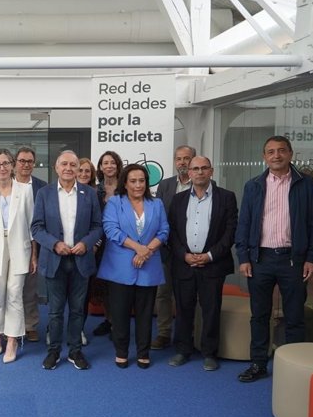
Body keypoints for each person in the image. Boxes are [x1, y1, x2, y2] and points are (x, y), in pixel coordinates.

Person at [235, 135, 313, 383]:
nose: (276, 155)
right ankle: (258, 363)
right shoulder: (254, 185)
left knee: (294, 317)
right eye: (271, 152)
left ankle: (293, 368)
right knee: (259, 316)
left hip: (293, 260)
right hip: (260, 259)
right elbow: (245, 223)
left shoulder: (306, 185)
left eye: (281, 151)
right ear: (264, 157)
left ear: (290, 154)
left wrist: (312, 257)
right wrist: (244, 256)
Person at [32, 150, 103, 371]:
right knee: (54, 311)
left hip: (81, 259)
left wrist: (87, 243)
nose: (69, 168)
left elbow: (97, 226)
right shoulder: (44, 193)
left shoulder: (89, 194)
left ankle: (74, 351)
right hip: (55, 259)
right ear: (56, 167)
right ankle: (54, 352)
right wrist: (54, 244)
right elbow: (36, 228)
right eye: (64, 164)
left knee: (77, 310)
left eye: (73, 164)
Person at [168, 156, 238, 371]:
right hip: (184, 263)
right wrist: (184, 255)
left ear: (211, 171)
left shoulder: (226, 197)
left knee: (211, 310)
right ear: (188, 173)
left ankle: (209, 353)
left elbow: (230, 232)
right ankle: (183, 350)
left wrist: (209, 256)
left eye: (203, 168)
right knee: (183, 309)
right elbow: (171, 232)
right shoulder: (178, 199)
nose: (199, 172)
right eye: (195, 168)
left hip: (213, 264)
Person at [97, 164, 169, 369]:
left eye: (142, 180)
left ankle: (143, 352)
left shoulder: (157, 204)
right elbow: (111, 229)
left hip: (149, 265)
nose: (138, 185)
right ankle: (121, 352)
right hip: (120, 266)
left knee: (146, 314)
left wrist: (147, 250)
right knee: (119, 314)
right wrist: (139, 248)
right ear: (125, 183)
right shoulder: (114, 203)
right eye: (133, 181)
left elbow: (164, 230)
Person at [0, 149, 35, 363]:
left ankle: (12, 340)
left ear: (12, 166)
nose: (2, 168)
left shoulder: (25, 190)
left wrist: (34, 256)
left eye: (5, 163)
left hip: (20, 249)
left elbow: (31, 227)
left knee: (14, 295)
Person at [152, 144, 196, 350]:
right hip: (167, 249)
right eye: (179, 159)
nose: (182, 163)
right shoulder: (166, 185)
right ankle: (163, 333)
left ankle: (187, 334)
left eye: (187, 158)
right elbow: (157, 215)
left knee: (187, 295)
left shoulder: (205, 183)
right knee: (163, 293)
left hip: (193, 251)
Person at [14, 146, 46, 342]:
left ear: (34, 164)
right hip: (9, 243)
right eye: (22, 161)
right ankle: (10, 326)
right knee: (9, 289)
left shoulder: (42, 187)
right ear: (15, 163)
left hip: (33, 243)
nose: (25, 164)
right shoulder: (5, 184)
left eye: (29, 161)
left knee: (30, 288)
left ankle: (30, 325)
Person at [91, 150, 124, 338]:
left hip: (121, 242)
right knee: (102, 284)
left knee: (119, 285)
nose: (109, 166)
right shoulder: (95, 190)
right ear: (101, 167)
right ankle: (109, 319)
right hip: (99, 243)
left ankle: (118, 323)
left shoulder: (126, 189)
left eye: (113, 162)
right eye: (105, 163)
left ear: (118, 165)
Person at [77, 157, 98, 345]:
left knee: (83, 297)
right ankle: (55, 330)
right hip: (64, 252)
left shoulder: (94, 194)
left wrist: (93, 244)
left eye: (87, 171)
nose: (84, 174)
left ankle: (78, 329)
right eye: (80, 170)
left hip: (88, 252)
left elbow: (98, 224)